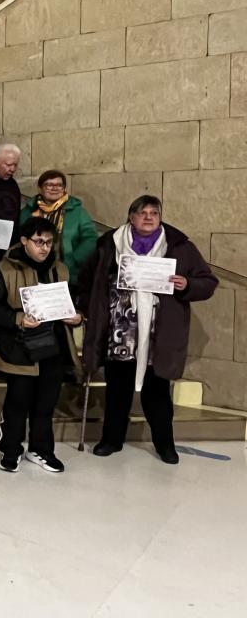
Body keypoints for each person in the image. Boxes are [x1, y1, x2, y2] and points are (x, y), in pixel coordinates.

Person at [77, 196, 217, 465]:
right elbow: (87, 280)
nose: (149, 217)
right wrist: (89, 307)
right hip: (119, 332)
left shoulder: (179, 246)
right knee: (117, 389)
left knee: (157, 393)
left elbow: (208, 282)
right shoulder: (110, 244)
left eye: (154, 213)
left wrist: (187, 284)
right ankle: (111, 440)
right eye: (142, 213)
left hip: (157, 334)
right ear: (131, 217)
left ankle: (165, 444)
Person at [0, 217, 83, 473]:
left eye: (48, 242)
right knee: (17, 402)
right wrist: (17, 318)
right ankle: (11, 450)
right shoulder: (5, 269)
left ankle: (41, 450)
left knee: (45, 404)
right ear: (24, 241)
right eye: (38, 241)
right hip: (20, 348)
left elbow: (73, 301)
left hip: (54, 347)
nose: (44, 247)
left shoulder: (60, 269)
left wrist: (77, 316)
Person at [20, 170, 97, 283]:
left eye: (59, 185)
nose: (54, 188)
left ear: (64, 188)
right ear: (40, 188)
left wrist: (73, 260)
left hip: (67, 273)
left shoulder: (77, 212)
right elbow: (21, 237)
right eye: (49, 185)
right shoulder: (28, 211)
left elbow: (90, 238)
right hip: (33, 272)